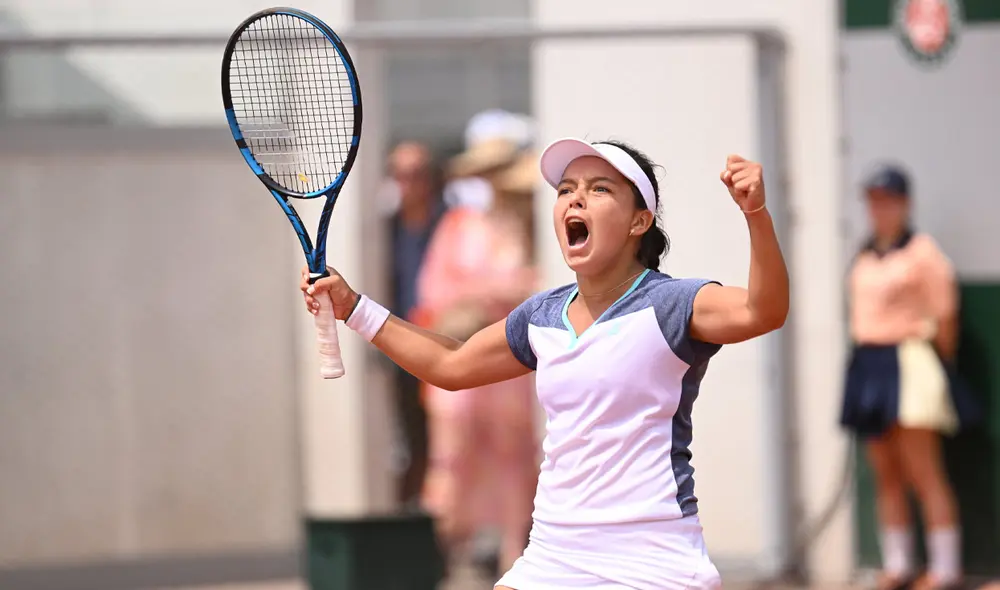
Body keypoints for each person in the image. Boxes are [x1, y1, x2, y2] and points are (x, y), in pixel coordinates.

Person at [302, 137, 789, 589]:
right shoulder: (541, 316)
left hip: (653, 554)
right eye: (566, 189)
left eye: (599, 189)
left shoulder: (674, 304)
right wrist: (352, 307)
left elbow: (762, 311)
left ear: (640, 221)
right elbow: (450, 365)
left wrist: (757, 215)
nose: (575, 199)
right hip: (555, 552)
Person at [840, 165, 978, 590]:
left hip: (911, 362)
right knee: (886, 471)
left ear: (905, 203)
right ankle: (897, 565)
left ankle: (945, 569)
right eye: (873, 199)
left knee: (924, 470)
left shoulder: (923, 253)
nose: (879, 208)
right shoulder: (864, 254)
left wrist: (938, 364)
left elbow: (945, 316)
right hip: (869, 364)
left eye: (888, 199)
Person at [414, 137, 540, 575]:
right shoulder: (458, 226)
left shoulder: (528, 228)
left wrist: (494, 292)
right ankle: (444, 562)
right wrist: (487, 293)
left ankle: (512, 560)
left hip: (511, 367)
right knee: (453, 459)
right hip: (465, 361)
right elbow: (435, 291)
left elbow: (543, 286)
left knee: (515, 460)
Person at [384, 141, 446, 509]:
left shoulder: (450, 223)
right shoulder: (384, 230)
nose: (410, 183)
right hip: (398, 351)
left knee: (443, 445)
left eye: (418, 174)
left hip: (444, 347)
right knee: (408, 442)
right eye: (401, 175)